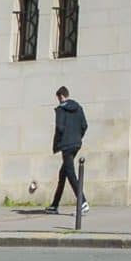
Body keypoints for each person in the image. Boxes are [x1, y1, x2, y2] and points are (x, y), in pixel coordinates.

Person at [46, 86, 88, 216]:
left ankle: (83, 202)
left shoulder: (61, 110)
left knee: (71, 174)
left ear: (61, 96)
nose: (58, 100)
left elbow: (60, 127)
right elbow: (84, 125)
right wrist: (77, 137)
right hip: (76, 144)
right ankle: (54, 205)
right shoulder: (78, 108)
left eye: (58, 97)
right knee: (63, 173)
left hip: (66, 145)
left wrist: (59, 142)